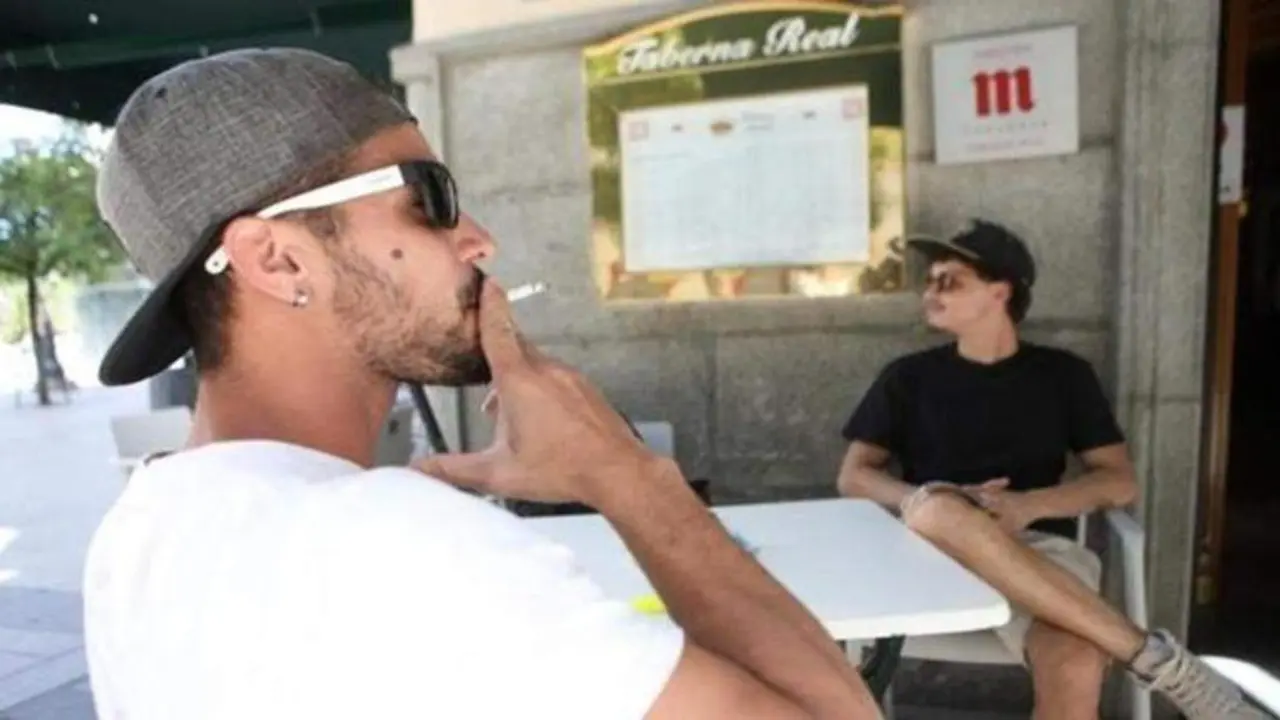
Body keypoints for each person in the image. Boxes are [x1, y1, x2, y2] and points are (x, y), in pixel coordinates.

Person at [82, 48, 880, 719]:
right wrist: (629, 476)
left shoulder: (140, 531)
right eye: (429, 200)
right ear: (277, 259)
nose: (479, 240)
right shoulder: (384, 540)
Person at [836, 219, 1264, 720]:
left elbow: (1118, 480)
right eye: (928, 281)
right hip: (934, 552)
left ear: (1000, 291)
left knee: (1078, 658)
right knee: (936, 510)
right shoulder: (907, 378)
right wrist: (939, 497)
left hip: (1041, 554)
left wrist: (1026, 506)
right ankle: (1164, 665)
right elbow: (855, 476)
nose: (931, 292)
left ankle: (1158, 664)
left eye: (949, 280)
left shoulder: (1063, 376)